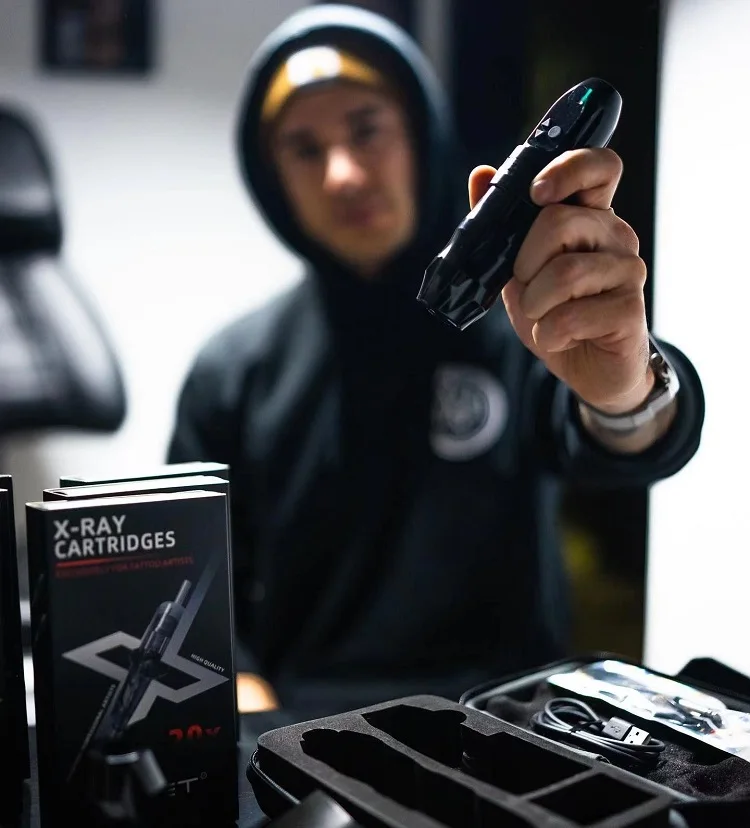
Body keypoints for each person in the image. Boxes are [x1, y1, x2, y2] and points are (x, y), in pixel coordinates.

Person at [167, 4, 704, 721]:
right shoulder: (231, 370)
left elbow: (625, 442)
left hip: (505, 723)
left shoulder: (525, 322)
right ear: (272, 179)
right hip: (303, 733)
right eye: (304, 149)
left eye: (367, 129)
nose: (343, 174)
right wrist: (236, 682)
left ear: (420, 133)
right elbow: (189, 573)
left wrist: (629, 386)